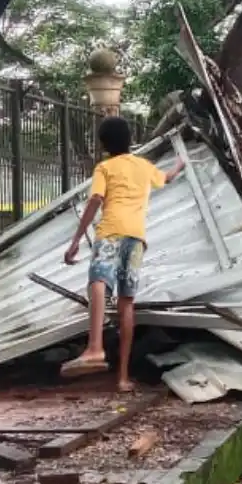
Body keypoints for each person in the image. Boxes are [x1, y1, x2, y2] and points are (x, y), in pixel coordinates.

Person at [61, 116, 184, 391]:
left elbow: (95, 199)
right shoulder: (144, 166)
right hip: (136, 239)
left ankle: (94, 348)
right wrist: (179, 164)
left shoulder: (105, 168)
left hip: (111, 232)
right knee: (126, 303)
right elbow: (167, 177)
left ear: (104, 144)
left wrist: (75, 242)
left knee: (97, 282)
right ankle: (123, 378)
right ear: (129, 140)